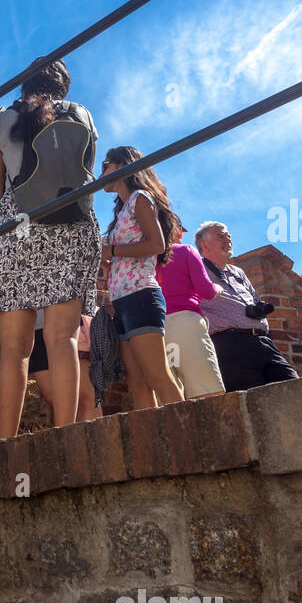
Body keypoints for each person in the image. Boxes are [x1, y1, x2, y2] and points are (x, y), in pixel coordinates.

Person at [0, 58, 101, 437]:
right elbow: (84, 174)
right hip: (70, 227)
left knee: (14, 349)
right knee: (62, 337)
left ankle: (6, 442)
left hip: (19, 228)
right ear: (63, 85)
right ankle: (66, 434)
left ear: (24, 84)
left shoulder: (2, 118)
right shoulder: (81, 114)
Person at [100, 146, 184, 409]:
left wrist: (111, 250)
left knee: (159, 376)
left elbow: (157, 245)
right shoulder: (121, 212)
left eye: (106, 165)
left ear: (123, 166)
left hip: (141, 296)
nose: (101, 172)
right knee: (137, 384)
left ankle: (191, 442)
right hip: (123, 301)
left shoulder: (140, 198)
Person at [195, 221, 298, 390]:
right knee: (251, 402)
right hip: (229, 345)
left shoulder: (238, 273)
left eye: (228, 235)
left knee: (295, 389)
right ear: (204, 245)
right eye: (221, 236)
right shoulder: (197, 270)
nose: (228, 239)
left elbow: (255, 299)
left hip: (262, 341)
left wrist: (257, 309)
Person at [156, 231, 226, 399]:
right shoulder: (185, 250)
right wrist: (218, 288)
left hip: (156, 331)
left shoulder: (143, 260)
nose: (181, 235)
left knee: (172, 398)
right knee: (207, 393)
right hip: (185, 324)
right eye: (179, 230)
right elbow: (206, 290)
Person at [30, 309, 100, 420]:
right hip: (44, 317)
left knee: (82, 399)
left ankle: (74, 436)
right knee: (60, 397)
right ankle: (69, 436)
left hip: (59, 320)